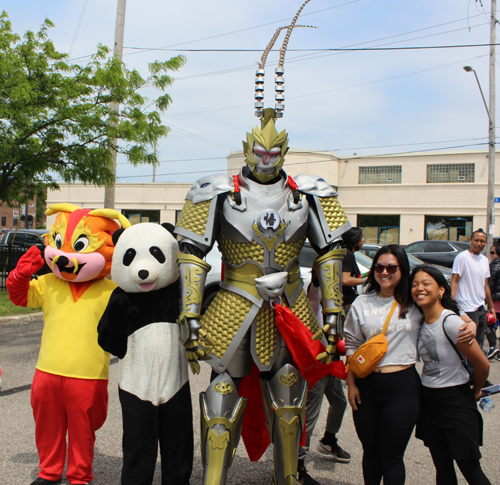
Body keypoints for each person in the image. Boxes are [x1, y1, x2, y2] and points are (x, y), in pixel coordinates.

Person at [174, 107, 351, 485]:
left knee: (289, 392)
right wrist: (189, 314)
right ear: (247, 149)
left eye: (273, 153)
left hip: (289, 303)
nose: (266, 159)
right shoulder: (218, 190)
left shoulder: (308, 192)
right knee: (222, 391)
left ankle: (288, 475)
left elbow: (332, 251)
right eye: (260, 151)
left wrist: (334, 315)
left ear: (284, 152)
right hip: (233, 301)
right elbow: (191, 250)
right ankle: (214, 479)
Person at [345, 245, 475, 485]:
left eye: (391, 267)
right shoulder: (360, 303)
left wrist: (472, 324)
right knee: (370, 452)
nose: (385, 272)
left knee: (392, 456)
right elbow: (352, 347)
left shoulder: (414, 301)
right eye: (379, 267)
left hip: (402, 389)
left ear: (402, 270)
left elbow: (450, 310)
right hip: (365, 388)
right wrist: (351, 385)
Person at [410, 265, 491, 485]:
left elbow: (482, 364)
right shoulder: (419, 320)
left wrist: (475, 391)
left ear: (441, 290)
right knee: (442, 469)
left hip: (455, 401)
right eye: (415, 284)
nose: (420, 289)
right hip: (429, 402)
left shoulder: (452, 322)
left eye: (426, 284)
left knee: (470, 469)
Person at [451, 229, 496, 354]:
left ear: (486, 243)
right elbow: (454, 280)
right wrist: (452, 303)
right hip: (467, 308)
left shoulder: (485, 260)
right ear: (470, 240)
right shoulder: (462, 257)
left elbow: (485, 285)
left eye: (482, 241)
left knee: (479, 344)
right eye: (476, 240)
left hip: (480, 308)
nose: (479, 243)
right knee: (468, 344)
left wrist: (491, 307)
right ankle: (466, 371)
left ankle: (475, 372)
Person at [487, 244, 500, 359]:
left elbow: (489, 284)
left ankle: (493, 347)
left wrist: (487, 299)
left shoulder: (494, 266)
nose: (491, 254)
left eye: (492, 252)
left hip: (496, 302)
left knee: (489, 323)